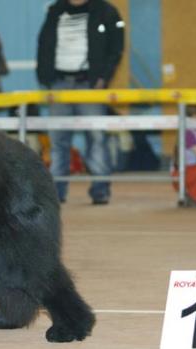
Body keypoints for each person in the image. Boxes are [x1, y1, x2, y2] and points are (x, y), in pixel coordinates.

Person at [36, 0, 124, 205]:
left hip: (90, 83)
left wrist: (104, 76)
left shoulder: (106, 11)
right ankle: (57, 191)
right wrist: (45, 78)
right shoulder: (55, 10)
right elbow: (43, 43)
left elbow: (116, 46)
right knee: (58, 140)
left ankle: (100, 188)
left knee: (97, 137)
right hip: (58, 83)